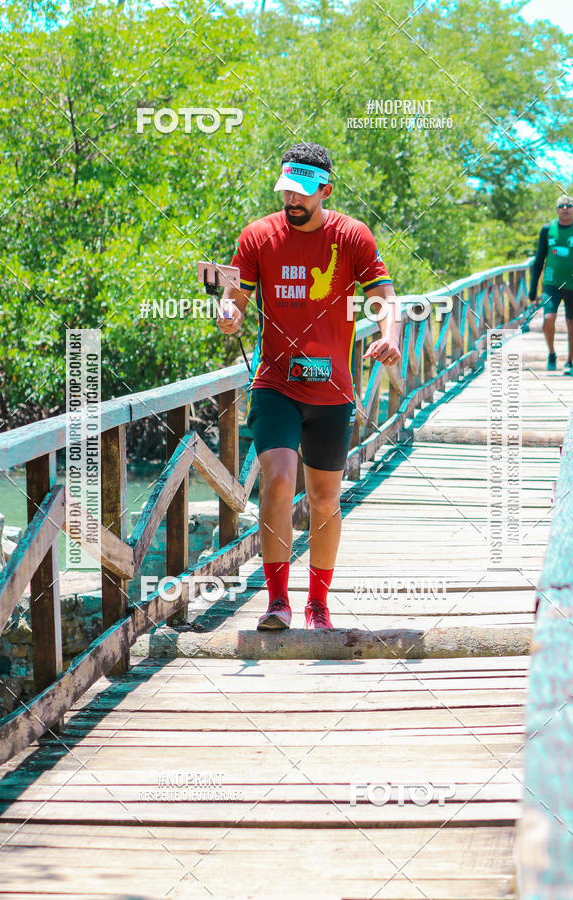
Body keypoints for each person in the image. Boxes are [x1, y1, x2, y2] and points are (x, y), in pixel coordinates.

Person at [217, 142, 400, 630]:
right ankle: (277, 601)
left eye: (301, 193)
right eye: (285, 192)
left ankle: (318, 603)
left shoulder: (352, 236)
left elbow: (382, 293)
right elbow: (236, 295)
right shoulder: (257, 236)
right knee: (277, 477)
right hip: (275, 378)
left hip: (332, 386)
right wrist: (229, 313)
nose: (291, 201)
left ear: (325, 190)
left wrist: (389, 334)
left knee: (323, 498)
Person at [528, 194, 573, 375]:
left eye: (569, 205)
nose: (565, 208)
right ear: (557, 209)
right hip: (551, 282)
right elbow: (539, 258)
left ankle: (570, 362)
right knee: (549, 318)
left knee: (572, 323)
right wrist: (533, 289)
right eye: (561, 205)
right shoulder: (548, 229)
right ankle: (551, 353)